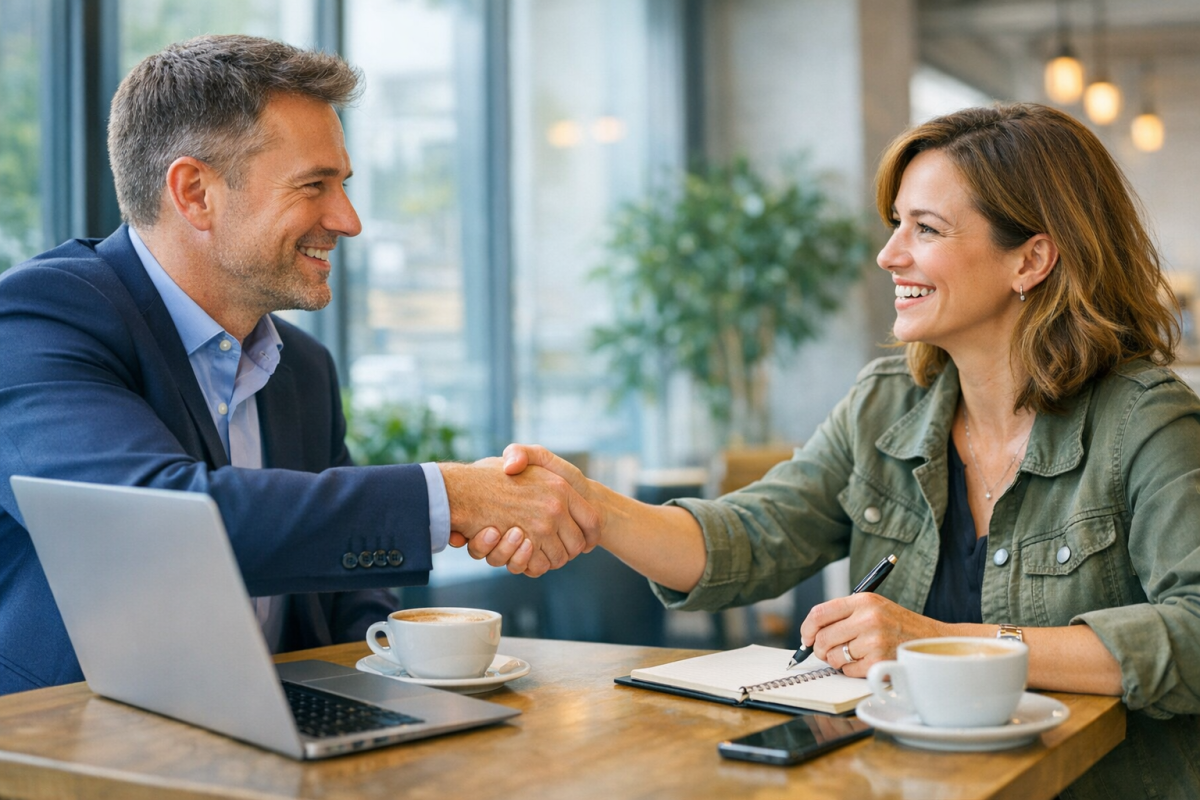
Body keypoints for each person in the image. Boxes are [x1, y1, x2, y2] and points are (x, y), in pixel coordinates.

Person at [474, 104, 1200, 798]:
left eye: (926, 228)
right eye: (895, 224)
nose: (889, 254)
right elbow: (749, 537)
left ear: (1031, 259)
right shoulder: (884, 404)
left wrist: (946, 642)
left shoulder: (1146, 421)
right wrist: (588, 505)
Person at [0, 35, 597, 697]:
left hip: (280, 727)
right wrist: (451, 495)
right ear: (195, 193)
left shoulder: (304, 368)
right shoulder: (37, 317)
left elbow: (343, 594)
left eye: (343, 185)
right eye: (314, 185)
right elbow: (146, 524)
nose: (349, 220)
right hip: (67, 737)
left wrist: (403, 679)